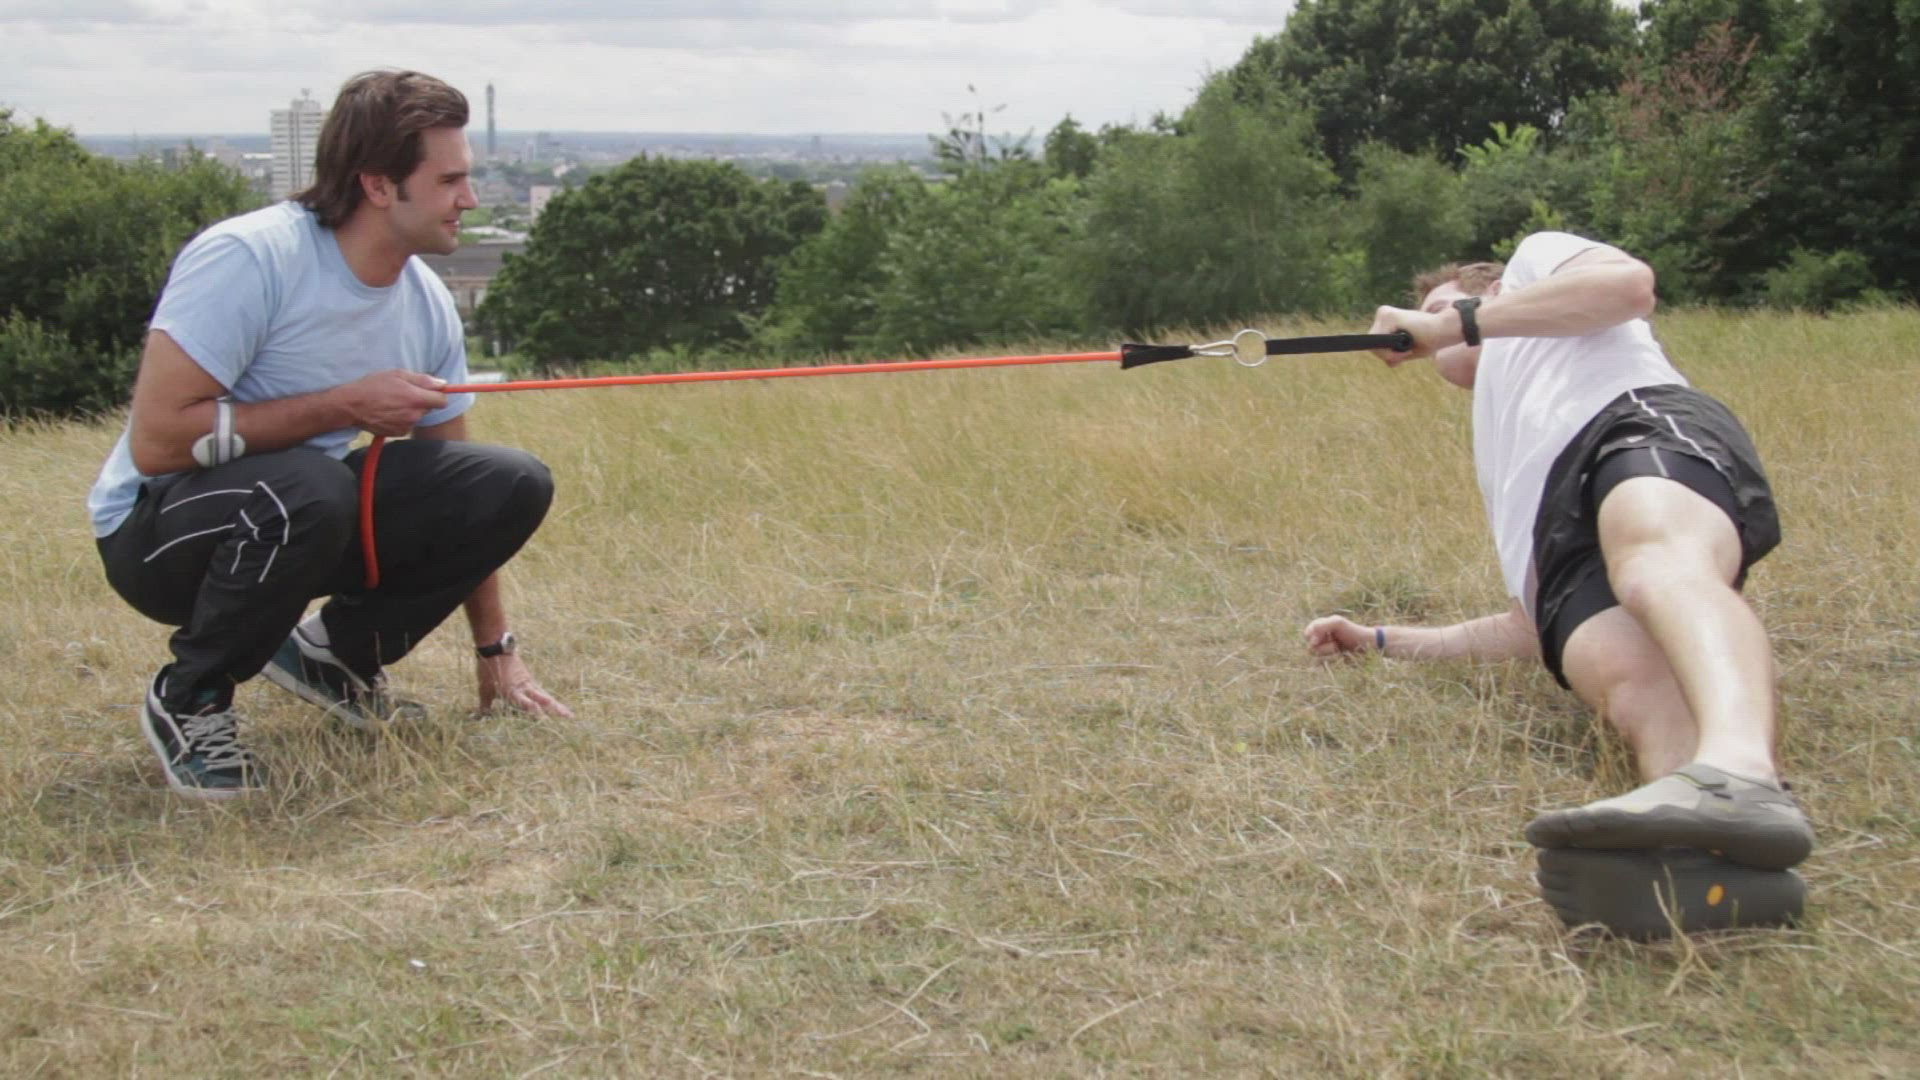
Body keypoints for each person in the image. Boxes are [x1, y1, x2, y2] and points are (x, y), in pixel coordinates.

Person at [1302, 232, 1814, 926]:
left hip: (1629, 426)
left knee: (1655, 564)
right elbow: (1526, 628)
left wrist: (1452, 322)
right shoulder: (1502, 439)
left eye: (1440, 305)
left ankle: (1741, 772)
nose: (1428, 325)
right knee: (1630, 682)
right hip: (1557, 529)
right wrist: (1382, 640)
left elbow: (1629, 287)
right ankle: (1712, 863)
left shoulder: (1536, 262)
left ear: (1491, 291)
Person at [88, 70, 571, 801]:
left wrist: (494, 649)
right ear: (378, 185)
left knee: (506, 481)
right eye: (449, 181)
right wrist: (344, 405)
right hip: (155, 534)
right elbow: (157, 443)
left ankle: (334, 655)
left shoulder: (426, 305)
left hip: (293, 519)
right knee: (310, 484)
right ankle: (190, 699)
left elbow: (459, 489)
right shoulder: (250, 258)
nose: (469, 199)